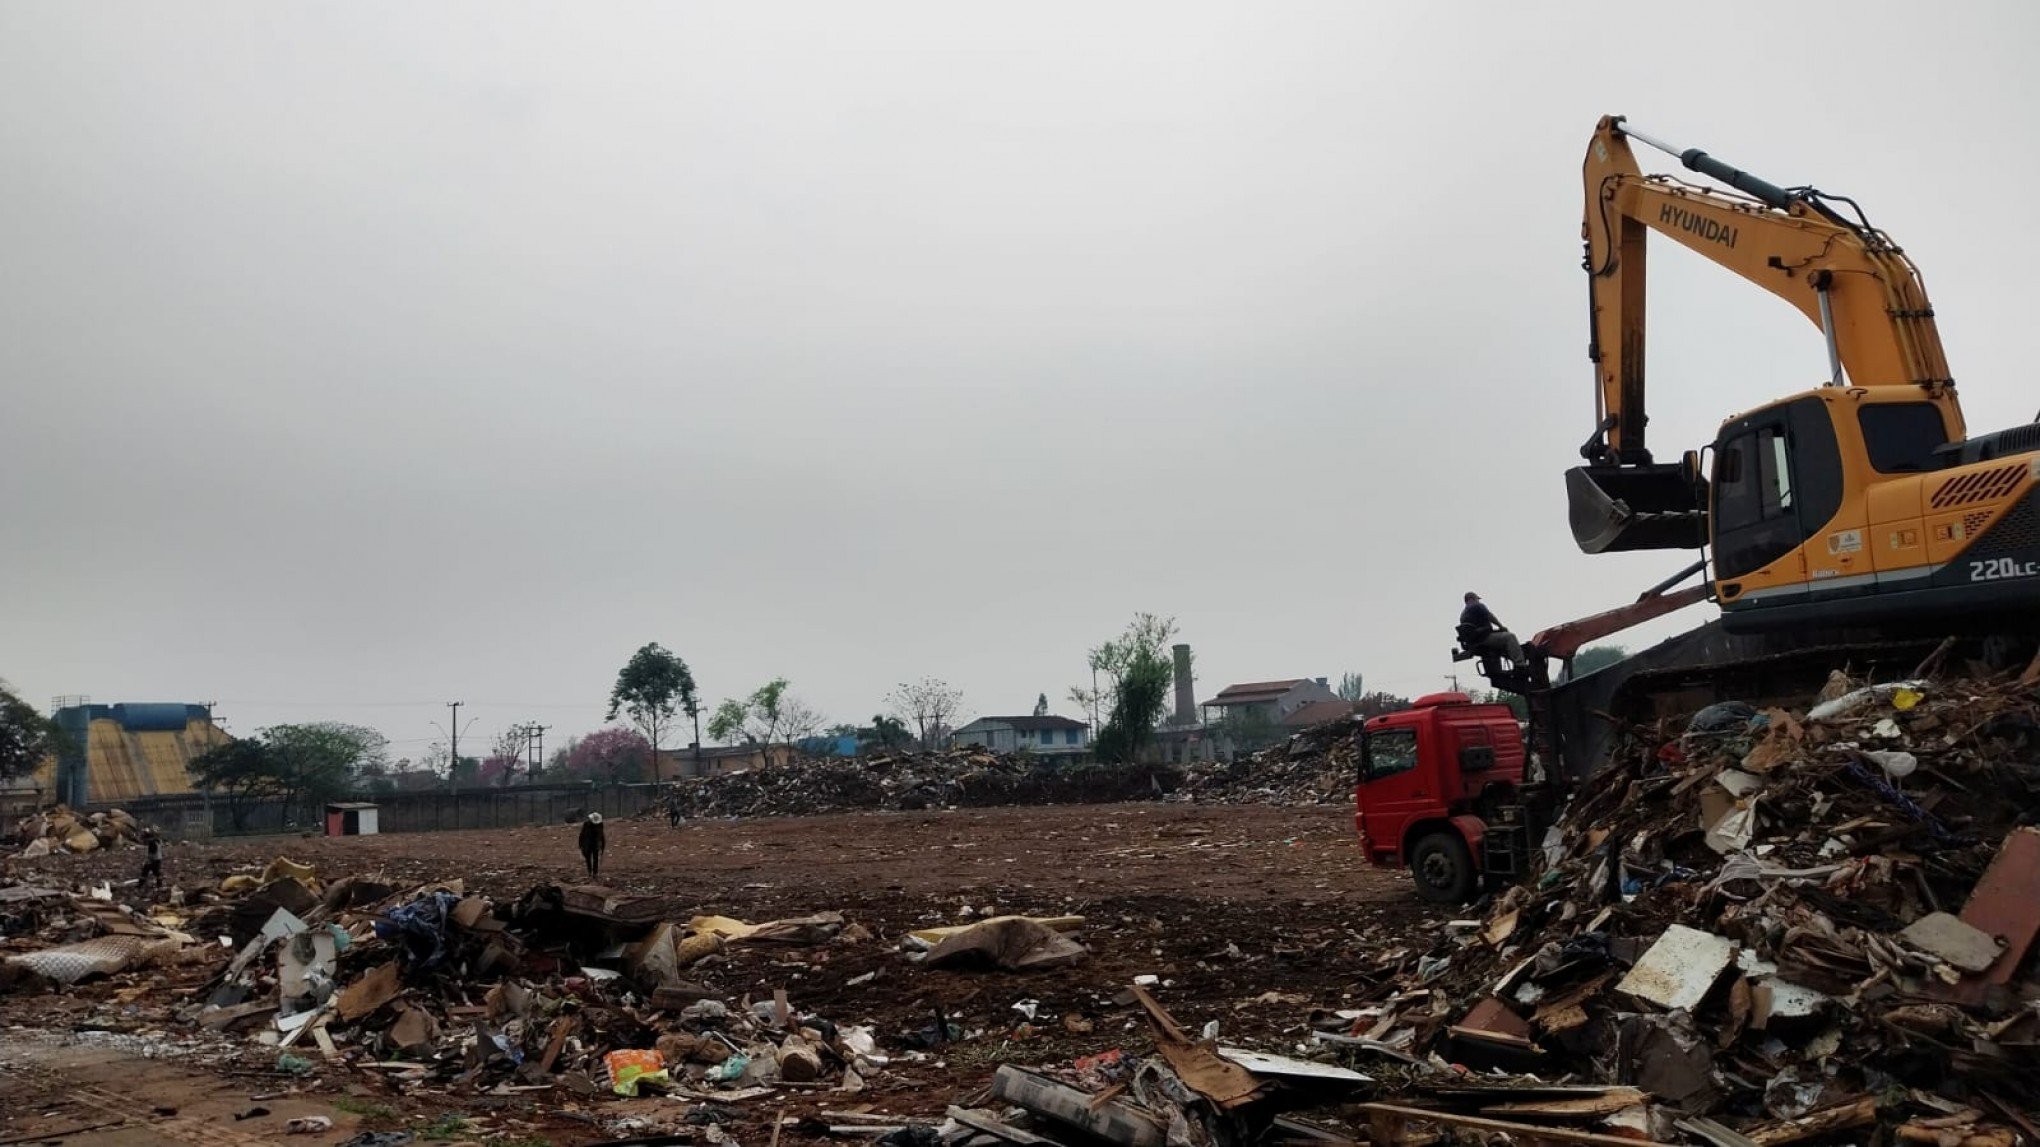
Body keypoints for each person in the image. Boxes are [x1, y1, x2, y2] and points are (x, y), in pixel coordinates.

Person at [1458, 591, 1525, 667]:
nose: (1478, 600)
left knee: (1501, 640)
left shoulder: (1462, 615)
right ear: (1471, 598)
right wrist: (1501, 626)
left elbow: (1477, 629)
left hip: (1475, 641)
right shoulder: (1477, 606)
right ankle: (1520, 665)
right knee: (1510, 637)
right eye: (1477, 599)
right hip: (1484, 639)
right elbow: (1490, 616)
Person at [578, 812, 607, 879]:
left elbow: (601, 835)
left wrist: (602, 845)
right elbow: (582, 834)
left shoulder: (600, 824)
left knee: (595, 858)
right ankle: (589, 872)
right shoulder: (586, 824)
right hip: (587, 843)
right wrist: (581, 844)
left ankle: (595, 873)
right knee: (588, 858)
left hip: (595, 843)